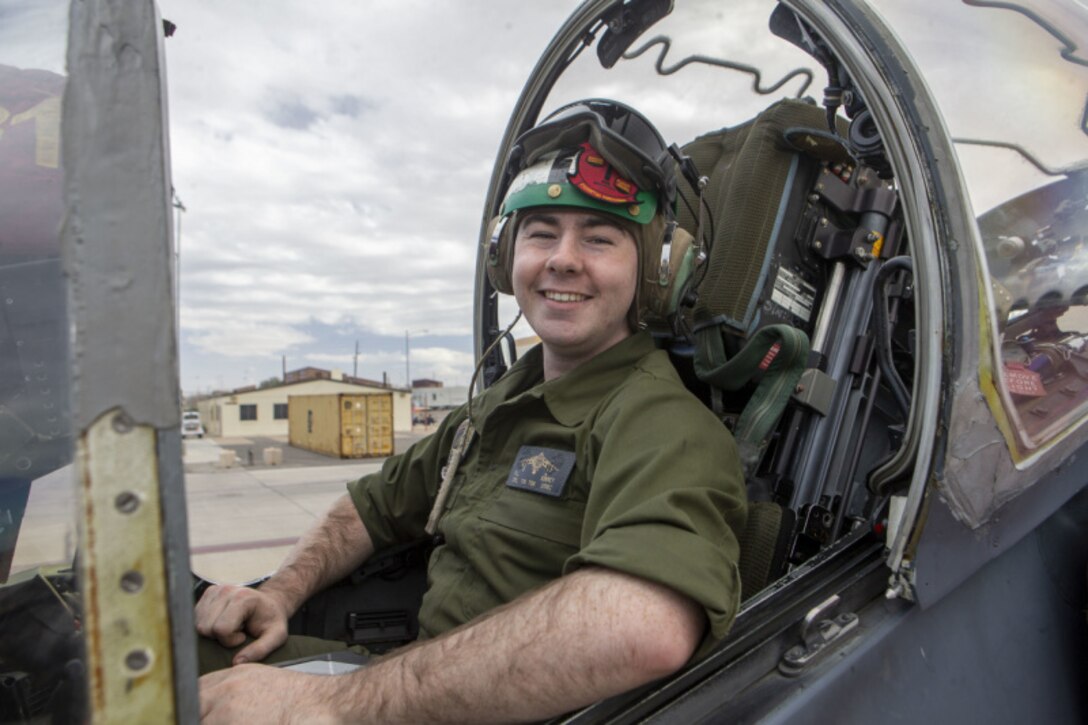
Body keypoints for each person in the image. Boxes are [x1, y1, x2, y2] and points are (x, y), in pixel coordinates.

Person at [196, 99, 747, 723]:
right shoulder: (501, 403)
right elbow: (372, 506)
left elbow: (643, 624)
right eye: (541, 233)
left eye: (599, 238)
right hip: (405, 685)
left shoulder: (659, 422)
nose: (563, 258)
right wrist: (279, 592)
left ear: (656, 274)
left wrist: (333, 705)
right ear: (504, 260)